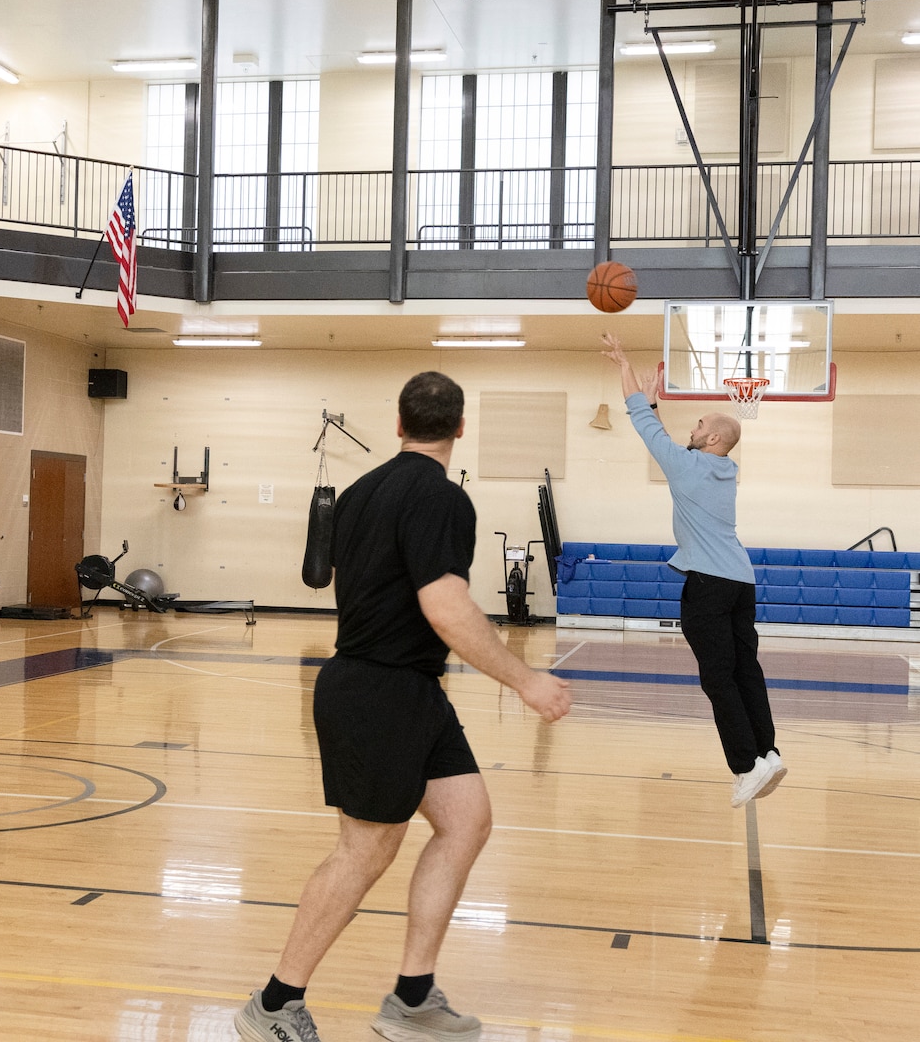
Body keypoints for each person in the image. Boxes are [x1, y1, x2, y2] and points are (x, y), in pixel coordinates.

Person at [236, 372, 572, 1042]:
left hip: (410, 688)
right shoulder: (443, 499)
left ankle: (413, 998)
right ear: (460, 428)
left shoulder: (359, 493)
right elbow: (445, 606)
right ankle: (274, 1004)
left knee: (466, 819)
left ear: (398, 424)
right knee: (364, 851)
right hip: (377, 690)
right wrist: (524, 679)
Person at [600, 333, 786, 808]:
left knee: (716, 677)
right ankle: (768, 751)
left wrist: (624, 362)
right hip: (742, 580)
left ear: (715, 438)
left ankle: (746, 767)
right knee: (747, 670)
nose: (695, 426)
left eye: (700, 423)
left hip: (707, 582)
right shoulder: (726, 470)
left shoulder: (687, 468)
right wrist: (656, 403)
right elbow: (662, 433)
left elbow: (641, 421)